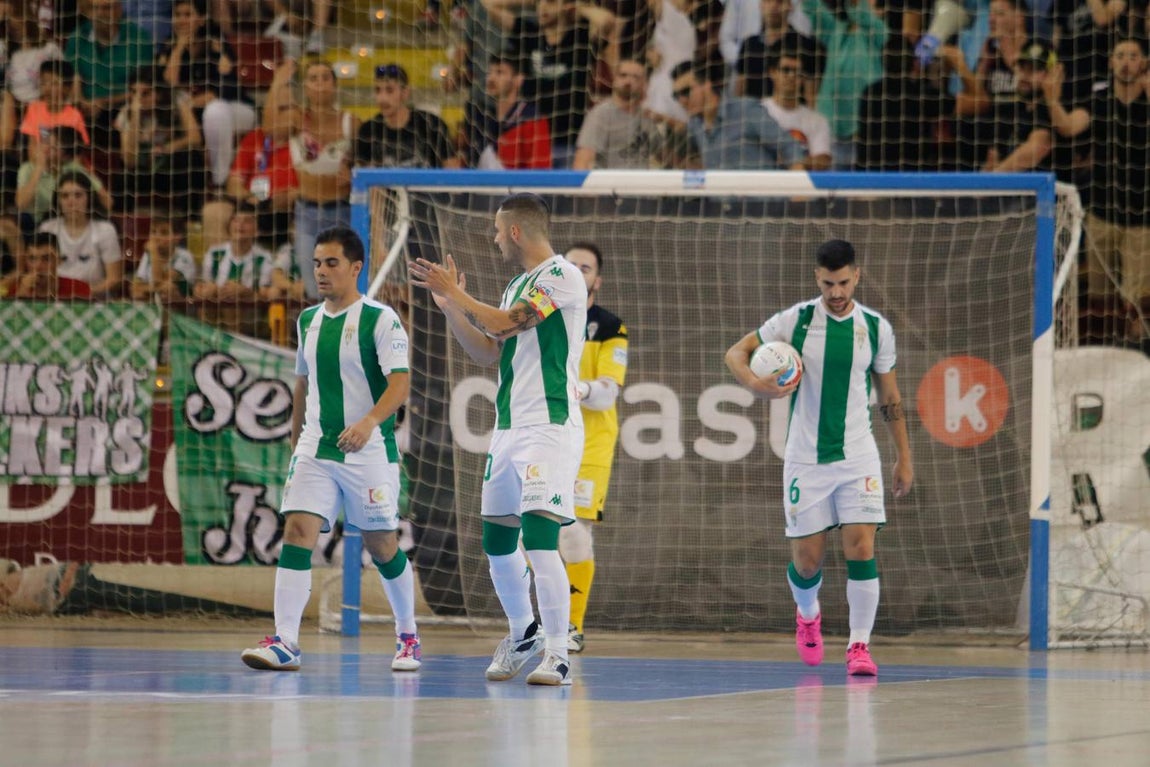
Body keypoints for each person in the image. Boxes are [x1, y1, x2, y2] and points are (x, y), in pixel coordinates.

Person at [408, 193, 587, 686]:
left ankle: (557, 653)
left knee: (540, 540)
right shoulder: (514, 285)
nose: (492, 239)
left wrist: (459, 293)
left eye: (495, 230)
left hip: (549, 425)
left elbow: (508, 322)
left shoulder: (561, 275)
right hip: (508, 427)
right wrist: (451, 308)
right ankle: (523, 631)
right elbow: (489, 350)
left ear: (515, 231)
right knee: (497, 540)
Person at [724, 238, 913, 676]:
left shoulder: (876, 328)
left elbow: (890, 396)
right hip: (806, 458)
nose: (836, 292)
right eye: (828, 284)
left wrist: (904, 456)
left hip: (858, 456)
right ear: (817, 278)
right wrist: (755, 383)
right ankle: (808, 614)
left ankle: (859, 646)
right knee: (807, 561)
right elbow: (735, 353)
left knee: (861, 545)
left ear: (856, 276)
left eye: (843, 282)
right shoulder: (796, 320)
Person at [241, 226, 421, 673]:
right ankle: (285, 641)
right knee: (297, 531)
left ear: (356, 267)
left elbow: (400, 385)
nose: (321, 271)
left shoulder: (382, 319)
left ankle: (408, 636)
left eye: (331, 263)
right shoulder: (307, 321)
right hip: (317, 447)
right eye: (317, 263)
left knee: (383, 546)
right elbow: (303, 384)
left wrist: (368, 422)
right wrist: (296, 440)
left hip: (369, 450)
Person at [560, 242, 628, 654]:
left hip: (590, 444)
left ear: (596, 281)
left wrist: (578, 389)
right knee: (531, 535)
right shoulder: (542, 317)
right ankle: (536, 623)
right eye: (570, 266)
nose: (577, 272)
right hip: (548, 439)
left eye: (585, 268)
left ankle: (572, 626)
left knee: (574, 534)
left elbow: (607, 394)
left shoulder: (608, 327)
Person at [262, 59, 360, 300]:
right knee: (314, 288)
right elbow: (269, 128)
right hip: (306, 213)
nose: (320, 83)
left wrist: (353, 175)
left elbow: (367, 164)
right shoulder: (297, 119)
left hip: (341, 212)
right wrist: (277, 82)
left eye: (325, 78)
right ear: (305, 87)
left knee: (344, 287)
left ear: (334, 86)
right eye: (313, 78)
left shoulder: (350, 122)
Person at [670, 60, 805, 169]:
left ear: (706, 84)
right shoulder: (695, 125)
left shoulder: (745, 109)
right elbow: (675, 156)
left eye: (686, 91)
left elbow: (789, 146)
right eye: (676, 96)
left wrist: (797, 189)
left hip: (760, 194)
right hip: (720, 195)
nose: (682, 100)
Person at [37, 170, 123, 298]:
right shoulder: (47, 228)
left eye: (78, 195)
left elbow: (114, 280)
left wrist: (80, 294)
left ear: (89, 198)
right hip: (54, 299)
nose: (71, 202)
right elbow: (38, 272)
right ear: (58, 200)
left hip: (93, 299)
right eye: (65, 196)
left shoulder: (105, 229)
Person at [573, 58, 662, 170]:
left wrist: (670, 122)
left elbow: (663, 155)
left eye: (636, 77)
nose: (628, 81)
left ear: (645, 84)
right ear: (614, 79)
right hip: (612, 180)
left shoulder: (646, 116)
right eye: (623, 75)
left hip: (642, 179)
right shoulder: (601, 114)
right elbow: (582, 161)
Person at [2, 231, 91, 300]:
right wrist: (22, 294)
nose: (38, 266)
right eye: (32, 258)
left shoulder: (79, 289)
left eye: (46, 259)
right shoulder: (15, 289)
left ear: (59, 261)